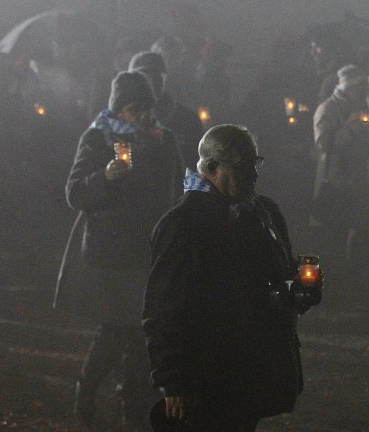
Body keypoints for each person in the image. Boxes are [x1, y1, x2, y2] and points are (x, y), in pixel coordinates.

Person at [143, 124, 320, 432]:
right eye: (242, 165)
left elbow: (277, 276)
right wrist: (172, 381)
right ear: (212, 167)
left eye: (255, 163)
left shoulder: (263, 212)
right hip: (210, 371)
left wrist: (299, 289)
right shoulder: (184, 224)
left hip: (253, 367)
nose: (253, 173)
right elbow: (165, 307)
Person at [59, 70, 183, 430]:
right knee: (116, 330)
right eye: (131, 109)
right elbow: (74, 192)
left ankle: (132, 406)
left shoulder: (164, 141)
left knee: (144, 332)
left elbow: (176, 188)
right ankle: (89, 386)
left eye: (143, 108)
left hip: (148, 250)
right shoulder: (98, 139)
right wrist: (104, 179)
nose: (139, 116)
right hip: (111, 253)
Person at [129, 51, 204, 168]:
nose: (152, 83)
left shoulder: (187, 120)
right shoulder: (116, 121)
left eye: (157, 78)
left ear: (165, 80)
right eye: (145, 78)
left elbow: (200, 165)